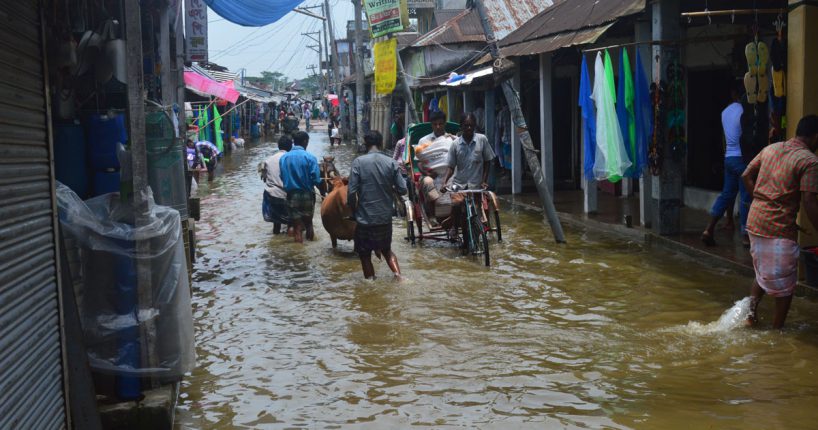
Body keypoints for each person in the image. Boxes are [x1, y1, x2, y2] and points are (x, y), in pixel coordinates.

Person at [742, 115, 818, 329]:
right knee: (785, 285)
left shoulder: (771, 149)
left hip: (755, 222)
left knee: (762, 272)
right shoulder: (809, 161)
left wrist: (760, 200)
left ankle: (750, 316)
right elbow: (810, 201)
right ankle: (777, 333)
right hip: (779, 228)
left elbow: (746, 175)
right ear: (815, 137)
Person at [348, 130, 408, 279]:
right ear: (381, 144)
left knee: (365, 254)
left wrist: (353, 211)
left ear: (365, 144)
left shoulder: (358, 162)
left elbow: (351, 192)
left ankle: (371, 282)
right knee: (387, 250)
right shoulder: (391, 163)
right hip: (384, 217)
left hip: (365, 219)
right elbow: (403, 189)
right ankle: (399, 277)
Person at [702, 82, 752, 247]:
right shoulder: (745, 110)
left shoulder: (724, 113)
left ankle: (709, 228)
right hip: (741, 159)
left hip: (729, 158)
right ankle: (746, 236)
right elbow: (746, 136)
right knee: (746, 197)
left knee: (726, 195)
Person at [441, 113, 496, 240]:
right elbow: (450, 166)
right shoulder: (455, 144)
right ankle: (454, 227)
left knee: (476, 209)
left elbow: (488, 161)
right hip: (459, 184)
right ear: (461, 127)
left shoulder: (482, 140)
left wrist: (484, 181)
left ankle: (476, 229)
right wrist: (444, 182)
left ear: (475, 126)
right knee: (456, 204)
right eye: (466, 126)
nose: (469, 128)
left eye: (471, 126)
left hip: (475, 185)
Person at [280, 131, 321, 243]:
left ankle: (299, 255)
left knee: (297, 228)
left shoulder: (284, 158)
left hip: (292, 195)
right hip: (307, 194)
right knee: (309, 225)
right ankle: (311, 252)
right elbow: (316, 180)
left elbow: (282, 177)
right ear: (305, 142)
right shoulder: (311, 158)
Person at [417, 110, 457, 212]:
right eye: (435, 124)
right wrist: (427, 172)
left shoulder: (452, 140)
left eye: (440, 124)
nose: (438, 127)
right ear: (432, 125)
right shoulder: (424, 141)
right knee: (427, 182)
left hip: (450, 174)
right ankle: (433, 211)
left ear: (445, 123)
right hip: (430, 175)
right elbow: (419, 162)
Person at [260, 135, 293, 235]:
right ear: (290, 146)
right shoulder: (290, 159)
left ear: (278, 146)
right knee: (291, 224)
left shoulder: (268, 160)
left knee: (276, 224)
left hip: (271, 195)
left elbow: (264, 178)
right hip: (286, 195)